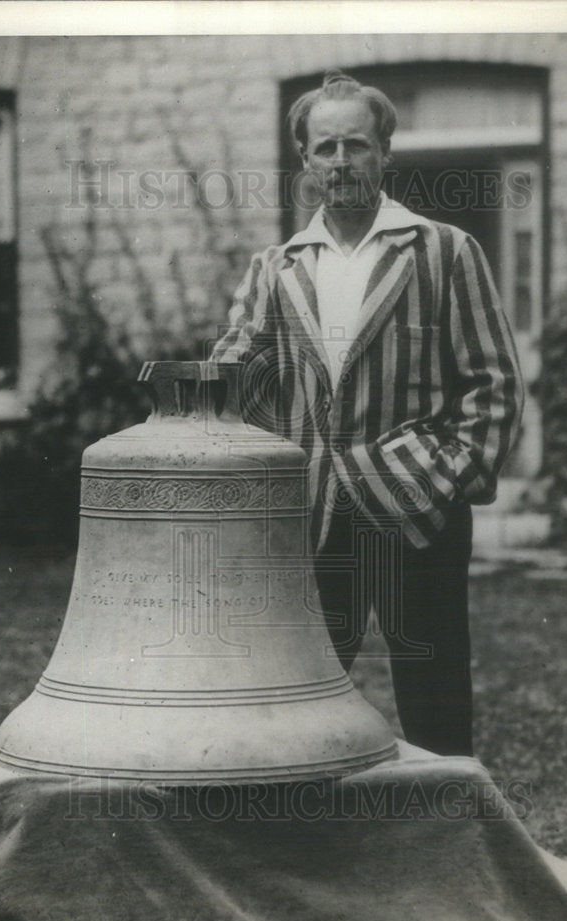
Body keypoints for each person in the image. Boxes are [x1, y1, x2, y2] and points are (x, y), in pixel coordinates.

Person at [211, 70, 524, 756]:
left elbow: (494, 383)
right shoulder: (276, 267)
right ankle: (306, 850)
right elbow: (235, 371)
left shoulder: (442, 251)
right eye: (325, 148)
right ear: (305, 160)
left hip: (418, 514)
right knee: (295, 702)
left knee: (436, 703)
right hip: (313, 516)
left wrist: (444, 482)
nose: (341, 161)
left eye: (356, 144)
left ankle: (451, 849)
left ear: (386, 152)